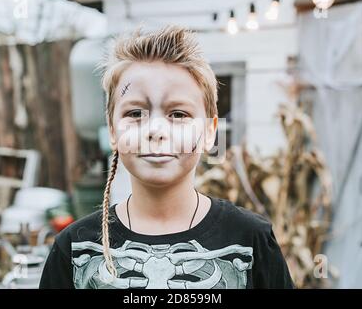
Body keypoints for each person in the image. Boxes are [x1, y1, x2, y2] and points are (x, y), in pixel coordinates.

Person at [39, 25, 294, 289]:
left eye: (178, 114)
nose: (156, 131)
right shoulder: (73, 250)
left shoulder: (250, 241)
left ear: (209, 131)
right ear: (113, 130)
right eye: (135, 113)